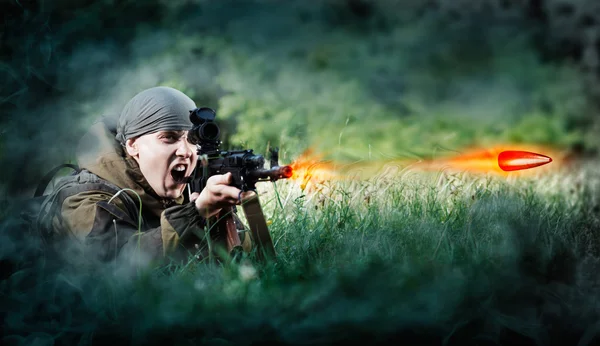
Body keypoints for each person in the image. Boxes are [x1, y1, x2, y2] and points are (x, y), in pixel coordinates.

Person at [41, 86, 251, 267]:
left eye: (192, 140)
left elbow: (246, 256)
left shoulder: (187, 184)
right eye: (169, 137)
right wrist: (195, 214)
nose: (186, 151)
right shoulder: (87, 198)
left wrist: (220, 214)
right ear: (133, 145)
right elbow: (118, 264)